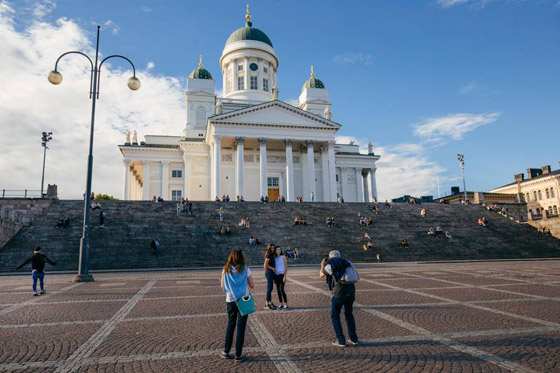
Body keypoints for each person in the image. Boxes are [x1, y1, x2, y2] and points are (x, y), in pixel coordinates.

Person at [220, 249, 254, 362]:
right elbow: (252, 285)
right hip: (244, 299)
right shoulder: (245, 269)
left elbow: (222, 286)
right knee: (241, 327)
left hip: (230, 299)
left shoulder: (226, 269)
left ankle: (226, 351)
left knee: (231, 325)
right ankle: (238, 354)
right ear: (241, 257)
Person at [320, 250, 358, 347]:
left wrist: (322, 265)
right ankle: (353, 338)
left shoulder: (330, 264)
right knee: (349, 313)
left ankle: (341, 339)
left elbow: (321, 275)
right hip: (351, 290)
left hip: (339, 291)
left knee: (335, 315)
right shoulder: (348, 262)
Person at [263, 244, 277, 310]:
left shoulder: (271, 254)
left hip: (271, 272)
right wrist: (272, 268)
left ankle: (270, 302)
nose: (272, 249)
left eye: (273, 248)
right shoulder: (269, 254)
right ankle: (266, 303)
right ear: (269, 248)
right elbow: (265, 265)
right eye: (271, 248)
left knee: (270, 288)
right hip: (269, 272)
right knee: (269, 288)